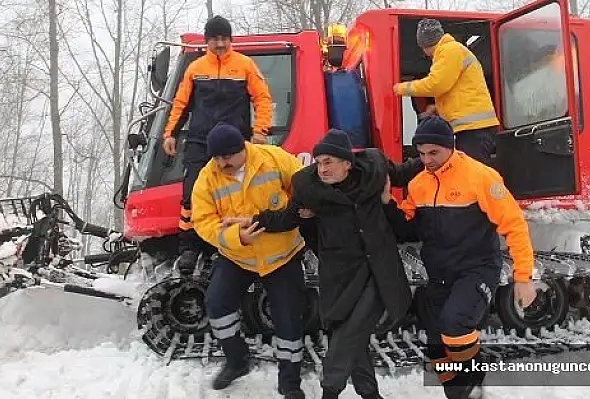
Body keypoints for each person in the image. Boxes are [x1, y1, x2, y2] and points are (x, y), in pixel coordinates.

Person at [223, 129, 424, 399]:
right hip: (339, 271)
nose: (322, 168)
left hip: (379, 270)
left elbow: (402, 172)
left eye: (328, 161)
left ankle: (330, 389)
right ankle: (369, 393)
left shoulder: (374, 168)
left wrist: (440, 152)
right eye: (318, 162)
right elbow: (285, 218)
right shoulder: (309, 188)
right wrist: (252, 221)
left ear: (347, 163)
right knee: (348, 331)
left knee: (351, 332)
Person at [388, 116, 537, 399]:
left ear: (451, 146)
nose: (427, 159)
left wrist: (523, 277)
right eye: (420, 154)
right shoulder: (419, 184)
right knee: (436, 342)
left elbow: (514, 224)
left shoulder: (480, 176)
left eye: (433, 153)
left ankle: (472, 387)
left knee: (455, 324)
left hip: (477, 268)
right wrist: (386, 202)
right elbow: (407, 227)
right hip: (440, 273)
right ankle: (459, 393)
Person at [191, 123, 307, 399]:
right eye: (217, 157)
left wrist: (297, 212)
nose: (222, 162)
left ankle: (289, 383)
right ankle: (237, 359)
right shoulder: (207, 178)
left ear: (243, 148)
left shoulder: (274, 158)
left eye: (228, 156)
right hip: (238, 256)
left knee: (288, 318)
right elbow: (203, 222)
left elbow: (304, 186)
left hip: (282, 255)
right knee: (217, 304)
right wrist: (236, 236)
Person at [162, 15, 273, 271]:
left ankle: (225, 245)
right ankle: (189, 247)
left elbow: (263, 99)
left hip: (234, 144)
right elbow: (181, 103)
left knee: (232, 197)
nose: (220, 43)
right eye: (214, 39)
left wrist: (260, 132)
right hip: (200, 141)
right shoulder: (195, 68)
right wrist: (169, 134)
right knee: (191, 195)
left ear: (230, 40)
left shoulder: (245, 66)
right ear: (207, 41)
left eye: (224, 38)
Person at [393, 18, 499, 167]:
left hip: (474, 129)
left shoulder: (449, 50)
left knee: (472, 177)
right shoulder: (451, 51)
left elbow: (436, 84)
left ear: (425, 44)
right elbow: (454, 89)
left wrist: (401, 88)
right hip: (472, 129)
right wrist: (436, 108)